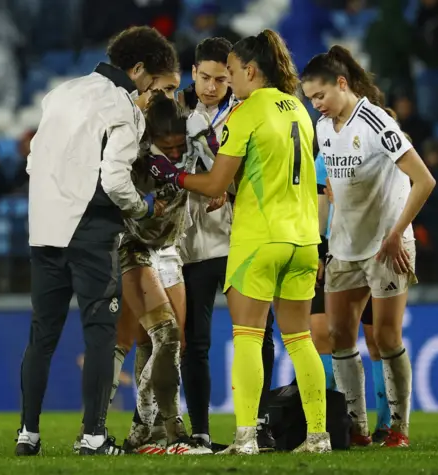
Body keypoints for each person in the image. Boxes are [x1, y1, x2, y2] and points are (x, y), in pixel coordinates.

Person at [145, 29, 331, 454]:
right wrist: (231, 191)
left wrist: (170, 173)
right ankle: (318, 435)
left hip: (260, 239)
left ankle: (245, 437)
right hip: (303, 240)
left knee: (247, 335)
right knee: (299, 340)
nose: (228, 81)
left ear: (250, 70)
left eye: (230, 73)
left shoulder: (246, 112)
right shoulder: (300, 110)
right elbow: (272, 173)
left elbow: (213, 181)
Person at [15, 26, 178, 456]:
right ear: (138, 68)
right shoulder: (123, 107)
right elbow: (114, 179)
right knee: (100, 334)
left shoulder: (59, 93)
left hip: (44, 226)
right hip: (90, 228)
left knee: (42, 336)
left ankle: (27, 434)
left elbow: (33, 160)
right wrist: (142, 208)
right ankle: (93, 436)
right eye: (152, 81)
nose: (151, 91)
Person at [301, 45, 436, 448]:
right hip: (344, 247)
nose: (317, 105)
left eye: (320, 96)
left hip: (385, 246)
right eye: (310, 99)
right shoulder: (324, 129)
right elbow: (334, 192)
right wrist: (324, 242)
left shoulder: (377, 123)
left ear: (342, 84)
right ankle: (356, 427)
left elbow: (424, 179)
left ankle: (397, 428)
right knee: (340, 335)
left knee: (387, 338)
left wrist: (398, 233)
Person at [177, 37, 276, 451]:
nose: (212, 86)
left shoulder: (249, 112)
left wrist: (229, 189)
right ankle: (199, 429)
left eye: (221, 78)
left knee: (258, 333)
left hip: (242, 237)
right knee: (195, 341)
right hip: (195, 241)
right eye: (205, 77)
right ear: (193, 72)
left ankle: (259, 423)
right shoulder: (176, 114)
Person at [117, 92, 219, 455]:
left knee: (172, 345)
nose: (174, 153)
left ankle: (147, 429)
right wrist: (146, 206)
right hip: (136, 249)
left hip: (170, 251)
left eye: (179, 146)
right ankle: (168, 429)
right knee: (166, 336)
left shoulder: (190, 146)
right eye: (168, 146)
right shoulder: (137, 160)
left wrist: (217, 187)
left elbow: (217, 163)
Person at [313, 152, 391, 443]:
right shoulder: (327, 155)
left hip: (376, 248)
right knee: (326, 334)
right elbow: (320, 204)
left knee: (378, 339)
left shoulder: (384, 148)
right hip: (335, 251)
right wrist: (319, 249)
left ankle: (388, 425)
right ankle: (341, 423)